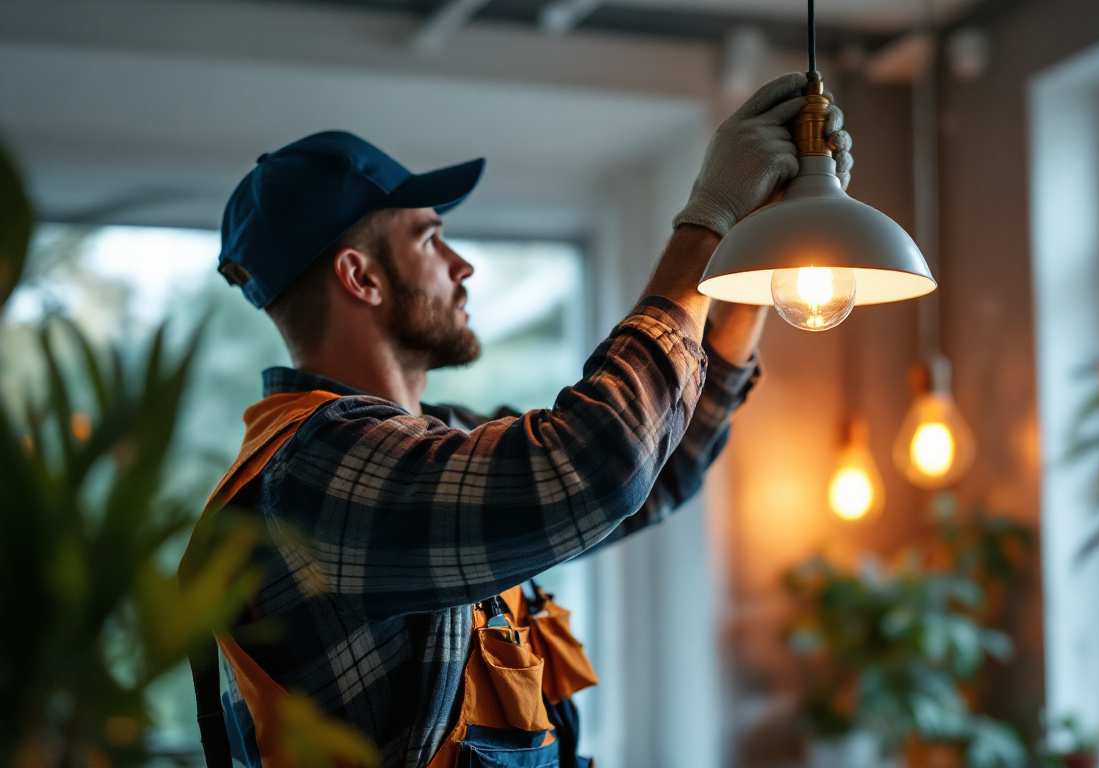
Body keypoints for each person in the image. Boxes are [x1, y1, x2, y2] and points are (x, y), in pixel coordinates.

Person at [186, 71, 852, 768]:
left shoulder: (435, 438)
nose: (462, 265)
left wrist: (747, 247)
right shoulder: (312, 469)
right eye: (430, 239)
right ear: (362, 278)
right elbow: (600, 466)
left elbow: (661, 464)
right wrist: (709, 217)